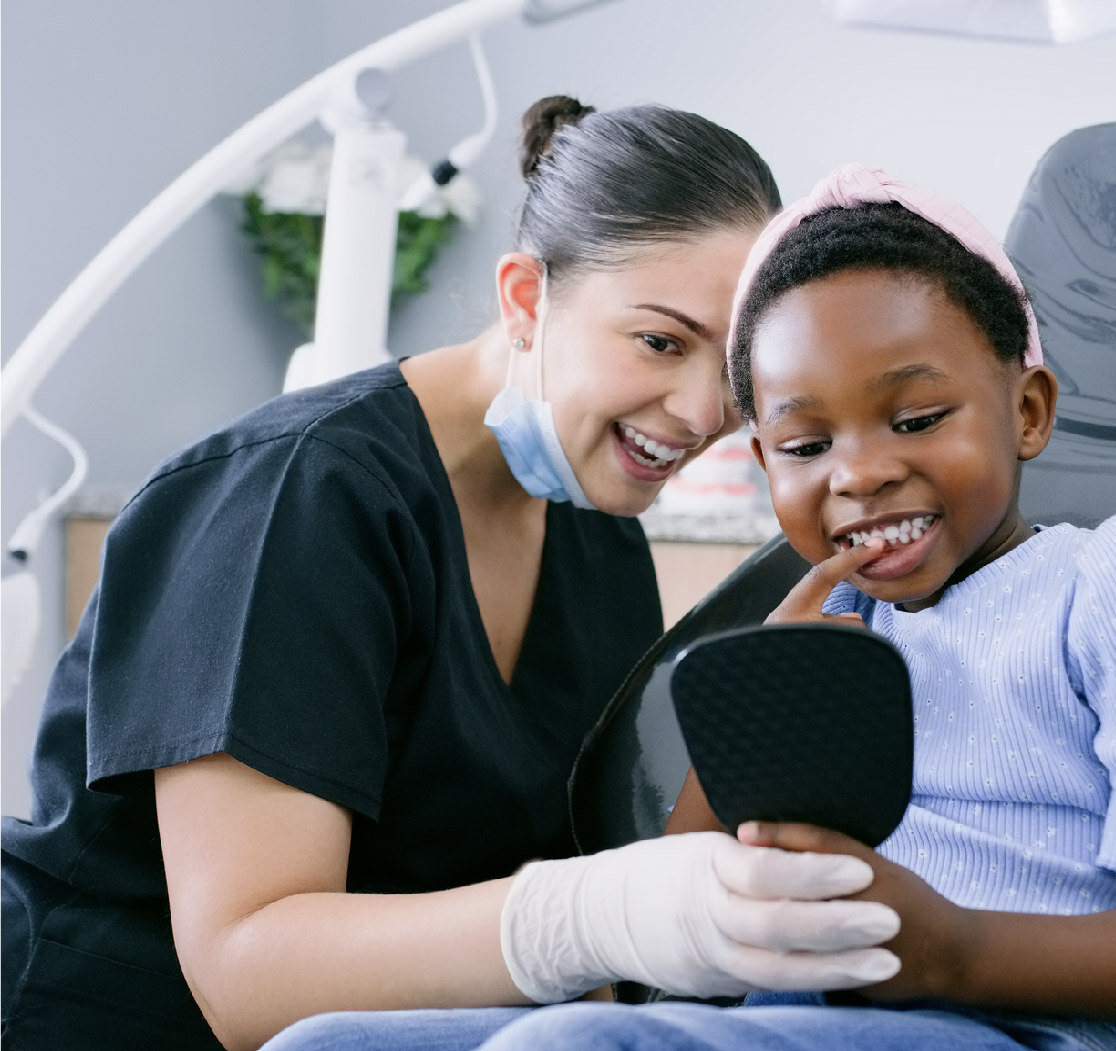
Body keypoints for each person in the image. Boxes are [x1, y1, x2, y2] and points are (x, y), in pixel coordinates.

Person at [0, 107, 907, 1051]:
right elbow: (249, 972)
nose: (699, 413)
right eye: (658, 342)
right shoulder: (300, 494)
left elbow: (564, 891)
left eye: (728, 370)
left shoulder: (596, 539)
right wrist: (593, 919)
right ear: (524, 299)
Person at [412, 165, 1116, 1050]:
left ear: (1027, 410)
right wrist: (763, 702)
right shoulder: (826, 619)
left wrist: (948, 952)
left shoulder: (1110, 576)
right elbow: (674, 926)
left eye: (916, 419)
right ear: (766, 467)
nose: (859, 473)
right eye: (806, 443)